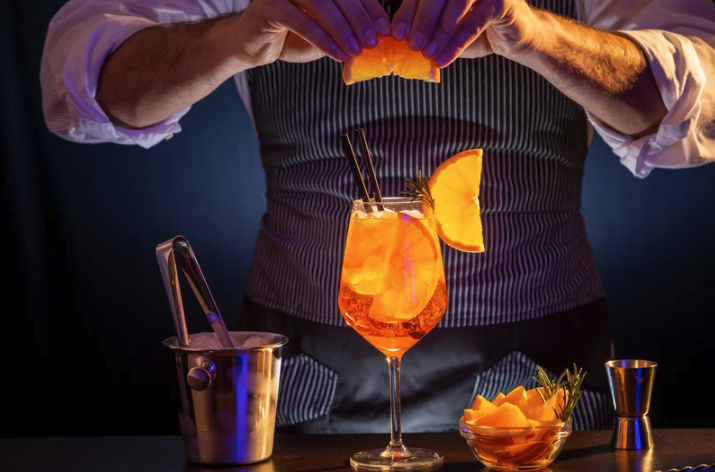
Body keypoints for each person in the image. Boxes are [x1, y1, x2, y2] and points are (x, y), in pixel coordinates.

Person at [41, 0, 715, 434]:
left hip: (543, 384)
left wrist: (536, 35)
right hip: (301, 380)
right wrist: (237, 37)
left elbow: (701, 99)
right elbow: (83, 86)